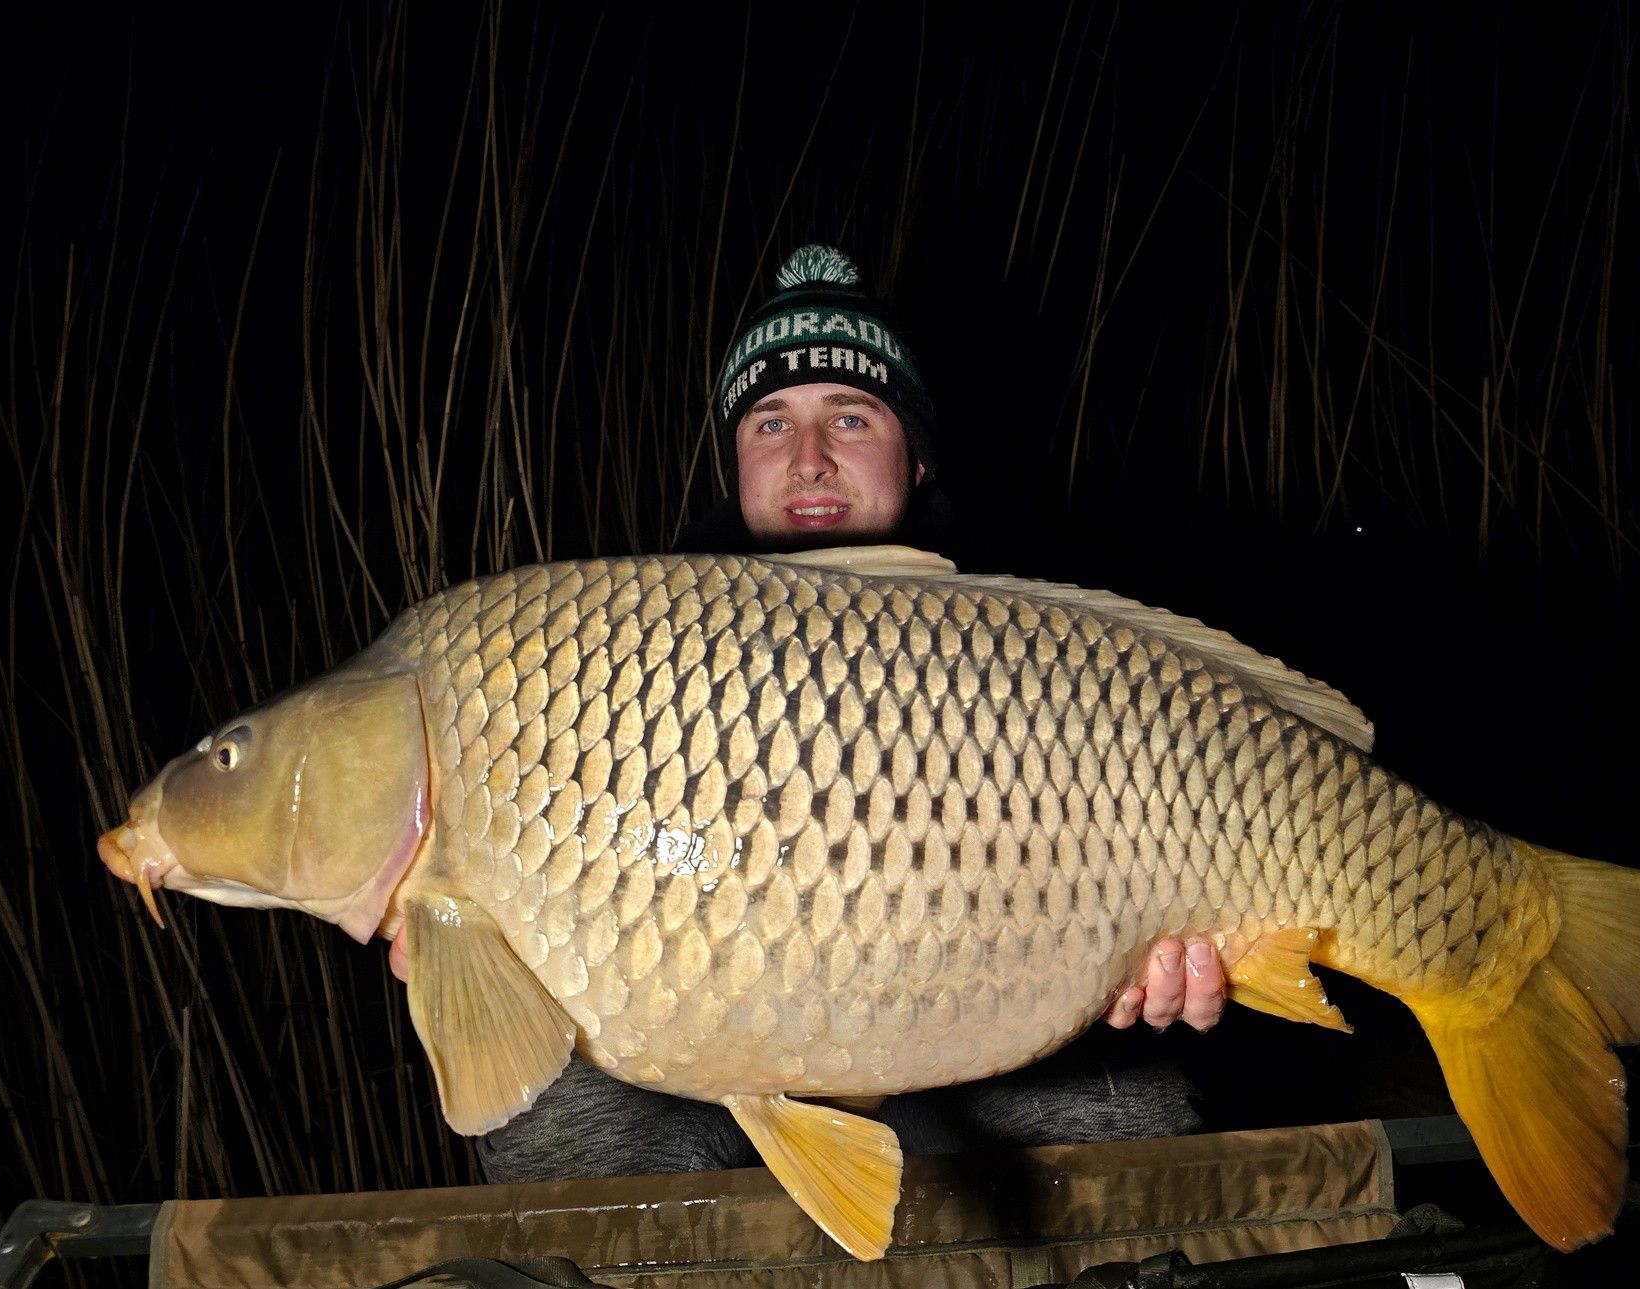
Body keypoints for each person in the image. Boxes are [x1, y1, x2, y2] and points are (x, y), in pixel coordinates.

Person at [478, 246, 1227, 1183]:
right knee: (550, 1121)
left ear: (915, 455)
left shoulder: (1039, 625)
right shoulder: (629, 647)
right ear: (737, 462)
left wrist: (1153, 956)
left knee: (1126, 1103)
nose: (808, 459)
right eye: (769, 422)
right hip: (706, 1041)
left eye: (849, 415)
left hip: (980, 1013)